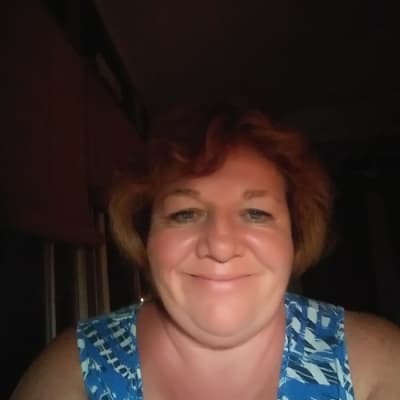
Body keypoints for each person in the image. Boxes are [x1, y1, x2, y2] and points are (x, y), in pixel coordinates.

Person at [10, 104, 400, 400]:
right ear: (146, 237)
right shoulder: (75, 370)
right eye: (185, 213)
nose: (221, 245)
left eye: (256, 213)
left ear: (294, 236)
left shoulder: (376, 364)